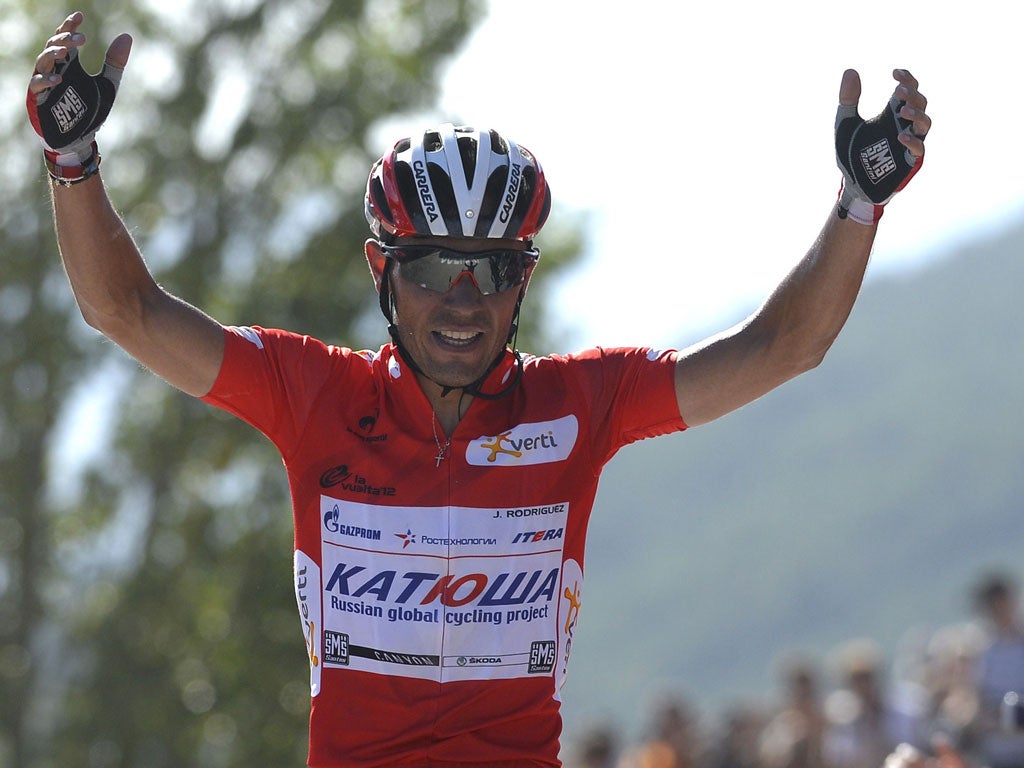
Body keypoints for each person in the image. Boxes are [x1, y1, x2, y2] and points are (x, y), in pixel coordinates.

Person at [26, 10, 931, 768]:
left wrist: (859, 202)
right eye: (436, 267)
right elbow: (126, 312)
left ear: (524, 282)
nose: (464, 299)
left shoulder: (586, 404)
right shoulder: (312, 393)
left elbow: (785, 345)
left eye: (493, 271)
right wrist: (73, 161)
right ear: (383, 270)